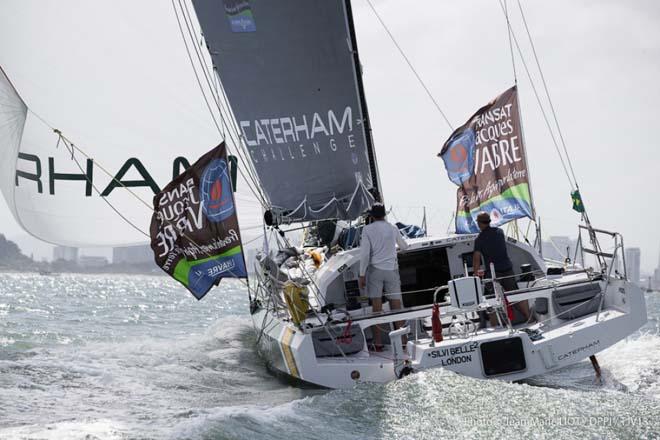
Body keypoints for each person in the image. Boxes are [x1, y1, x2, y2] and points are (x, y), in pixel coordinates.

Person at [358, 203, 409, 351]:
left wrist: (361, 275)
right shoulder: (393, 228)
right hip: (392, 271)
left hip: (375, 272)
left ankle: (378, 343)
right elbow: (404, 246)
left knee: (377, 308)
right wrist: (395, 249)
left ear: (372, 216)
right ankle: (404, 341)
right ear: (385, 214)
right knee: (396, 306)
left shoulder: (367, 229)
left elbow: (365, 254)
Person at [472, 212, 530, 325]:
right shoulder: (500, 232)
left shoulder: (479, 239)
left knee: (490, 299)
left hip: (494, 273)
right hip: (507, 269)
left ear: (479, 223)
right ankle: (529, 318)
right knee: (515, 295)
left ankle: (494, 325)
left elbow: (476, 258)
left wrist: (475, 275)